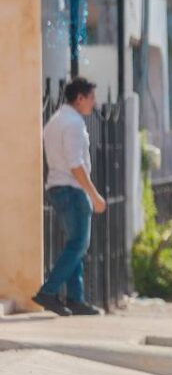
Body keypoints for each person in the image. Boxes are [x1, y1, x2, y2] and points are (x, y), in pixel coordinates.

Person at [35, 76, 107, 316]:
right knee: (79, 244)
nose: (93, 104)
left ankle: (76, 299)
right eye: (91, 98)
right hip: (71, 189)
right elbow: (76, 165)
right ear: (79, 98)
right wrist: (94, 194)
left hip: (58, 187)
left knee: (75, 243)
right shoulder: (73, 123)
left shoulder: (55, 120)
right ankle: (49, 291)